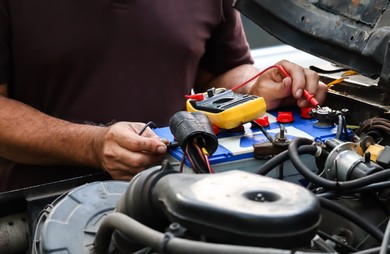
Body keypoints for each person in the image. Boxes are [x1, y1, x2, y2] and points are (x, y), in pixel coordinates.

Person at [0, 0, 327, 191]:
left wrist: (254, 87)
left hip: (177, 193)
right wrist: (92, 145)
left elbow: (218, 72)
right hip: (45, 210)